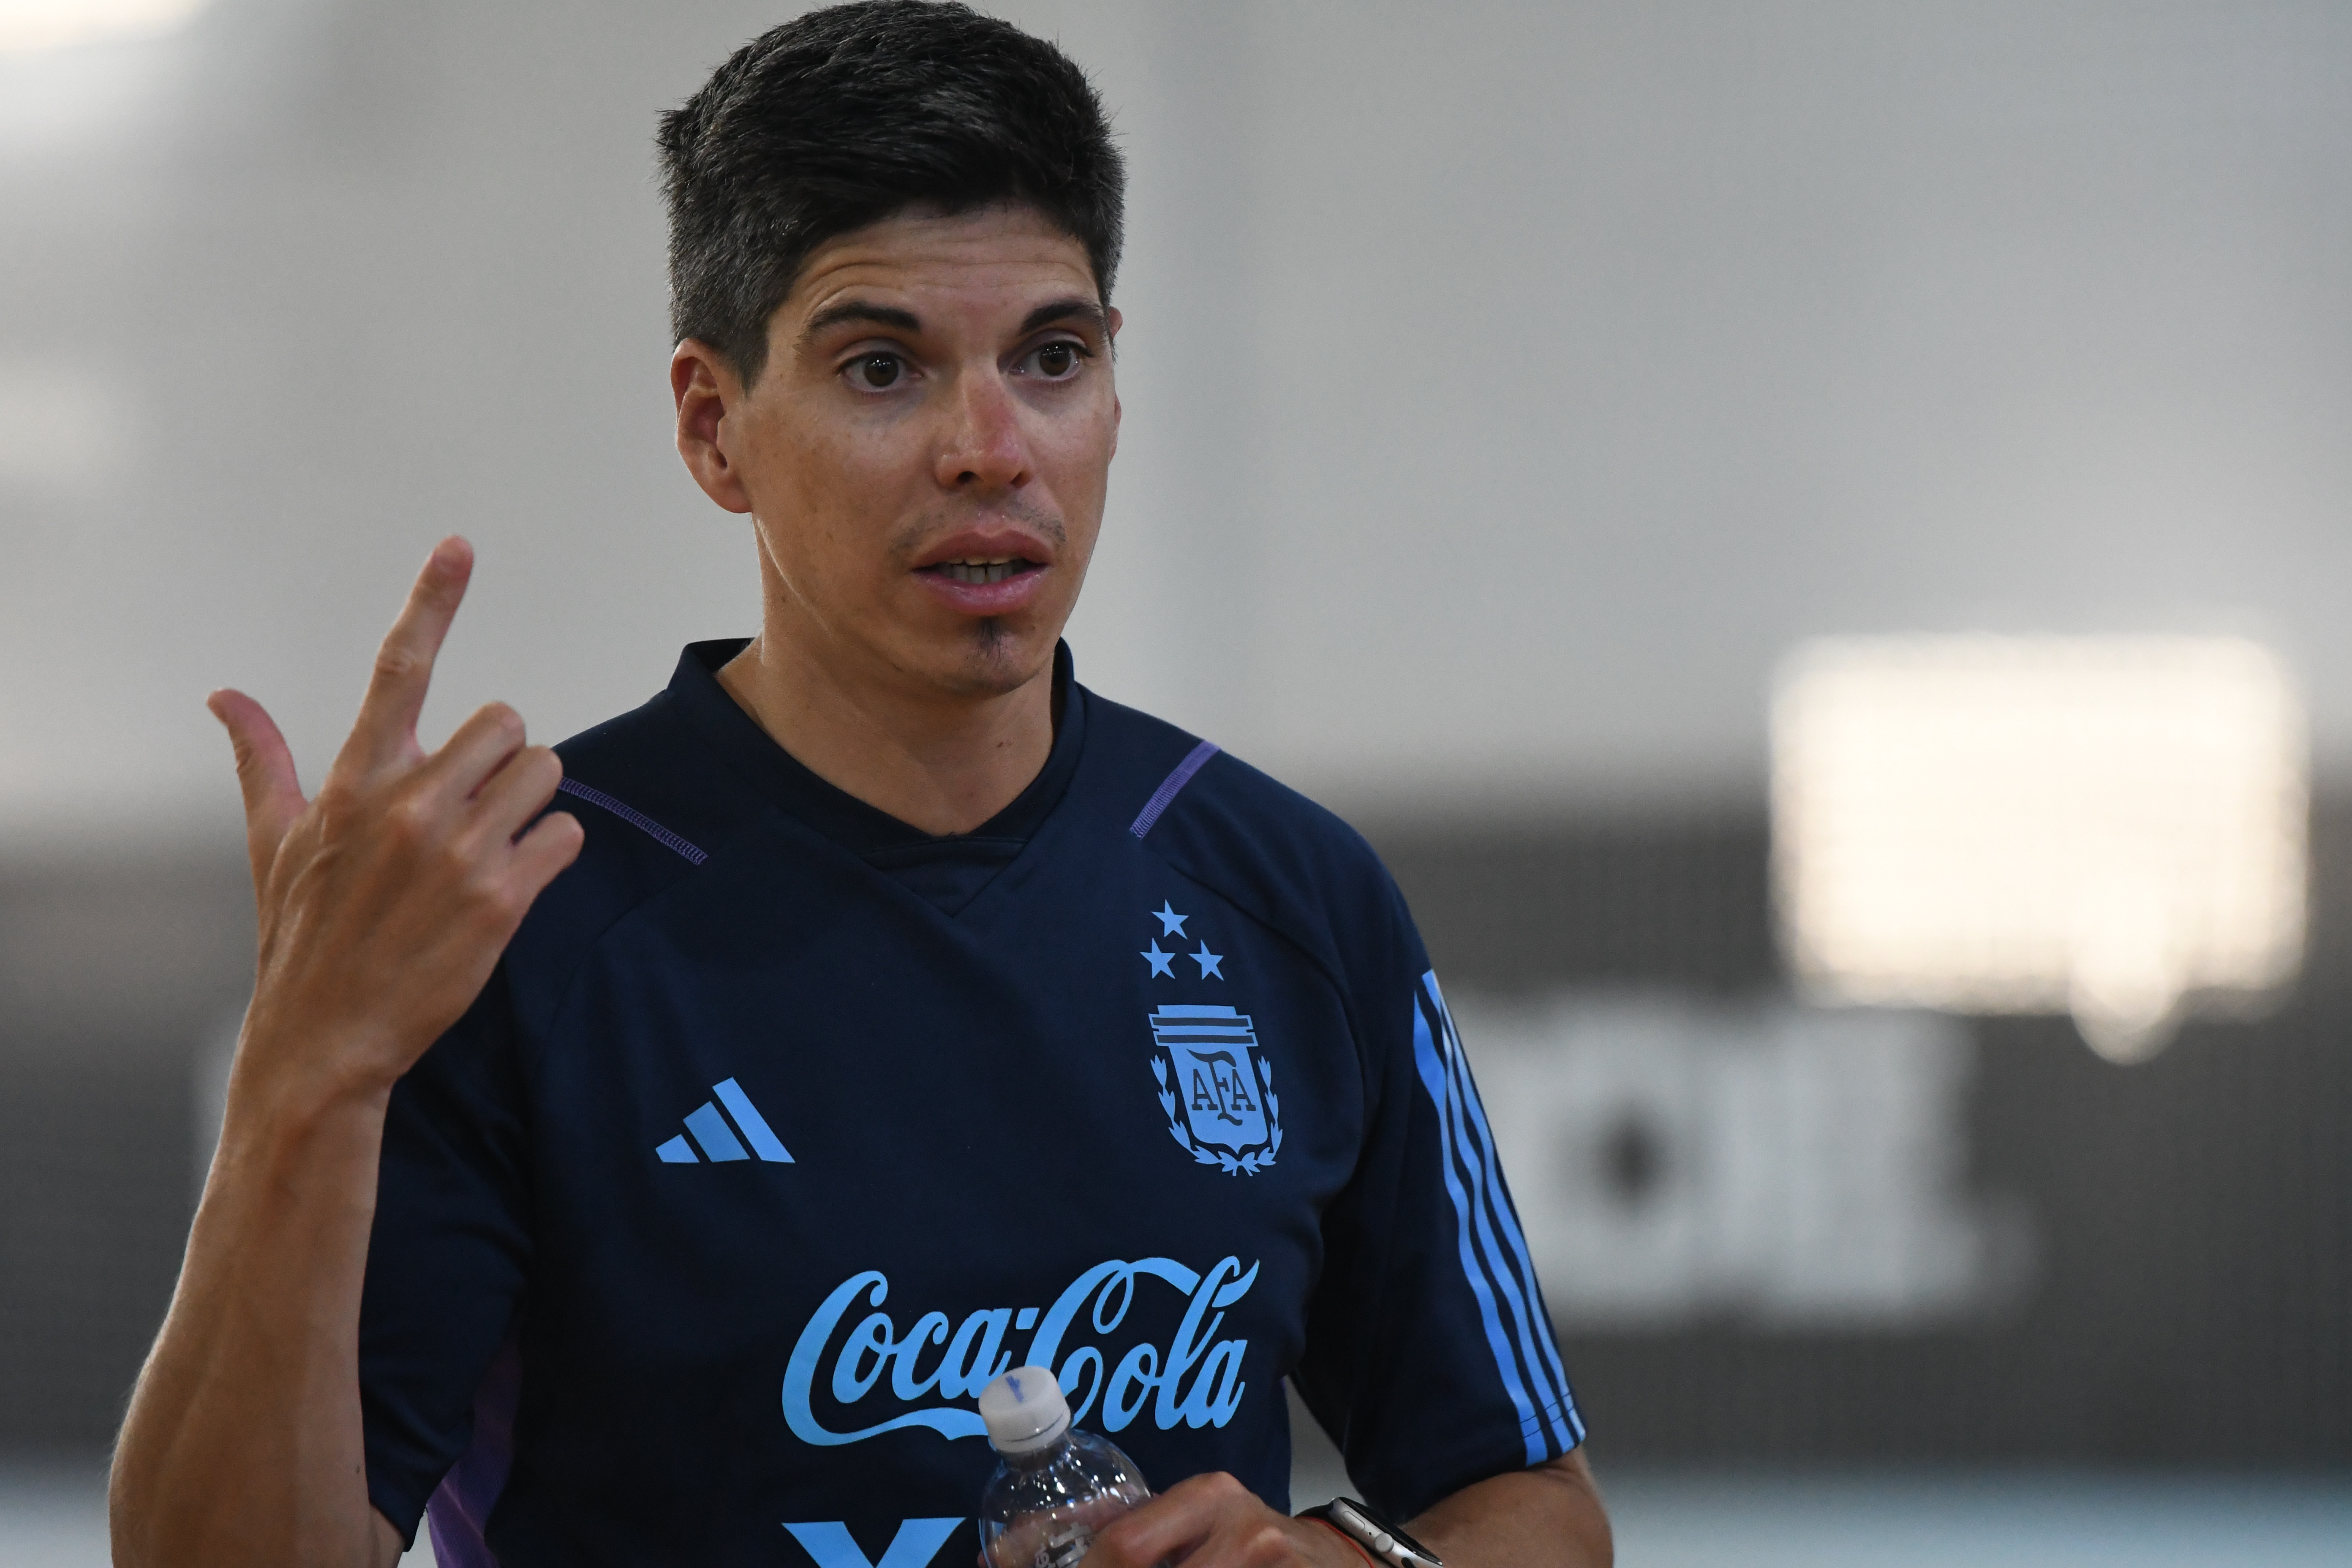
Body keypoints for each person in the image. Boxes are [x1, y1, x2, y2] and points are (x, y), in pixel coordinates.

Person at [109, 4, 1611, 1565]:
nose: (991, 447)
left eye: (1052, 358)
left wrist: (1346, 1566)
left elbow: (1537, 1512)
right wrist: (306, 1081)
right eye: (884, 368)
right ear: (715, 429)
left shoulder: (1293, 898)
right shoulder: (514, 921)